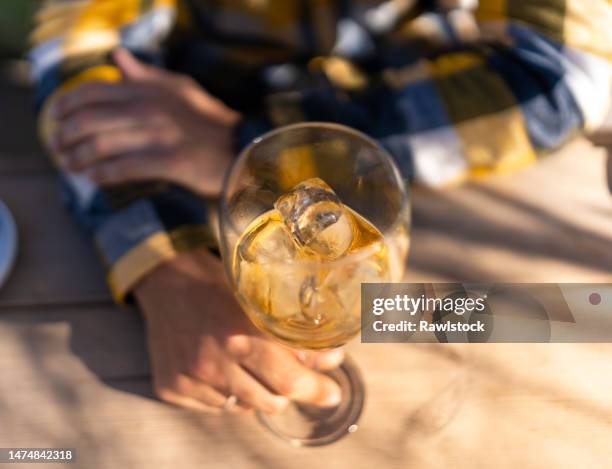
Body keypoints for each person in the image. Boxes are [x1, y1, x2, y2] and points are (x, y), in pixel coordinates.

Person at [29, 0, 612, 414]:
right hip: (189, 137)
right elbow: (76, 63)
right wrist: (170, 268)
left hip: (427, 163)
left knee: (557, 322)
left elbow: (569, 76)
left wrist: (246, 138)